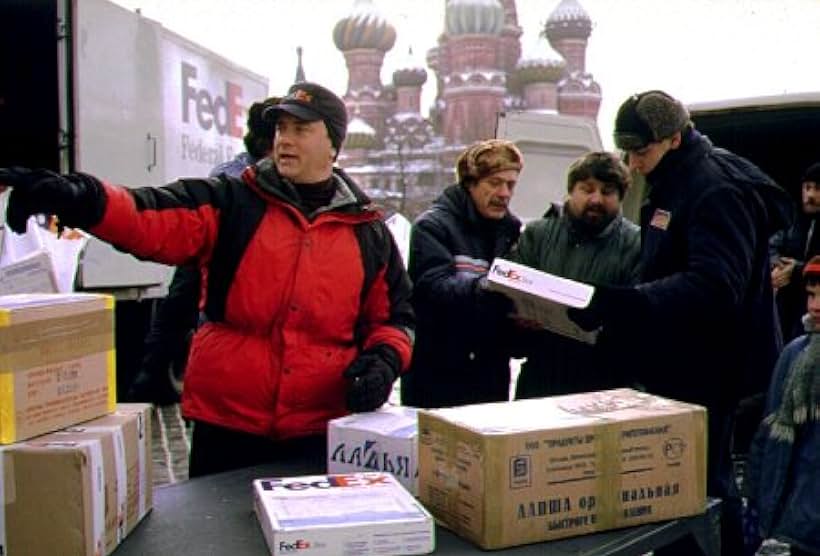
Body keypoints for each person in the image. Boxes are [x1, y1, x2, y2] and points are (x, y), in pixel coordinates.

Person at [0, 81, 414, 478]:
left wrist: (384, 360)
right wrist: (80, 197)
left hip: (316, 430)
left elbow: (395, 319)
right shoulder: (230, 202)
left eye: (301, 129)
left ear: (333, 144)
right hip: (228, 426)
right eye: (281, 129)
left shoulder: (367, 231)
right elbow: (147, 215)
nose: (285, 139)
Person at [567, 90, 793, 556]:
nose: (632, 163)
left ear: (673, 138)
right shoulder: (677, 178)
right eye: (626, 151)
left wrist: (626, 304)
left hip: (711, 369)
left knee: (704, 487)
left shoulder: (713, 188)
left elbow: (714, 286)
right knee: (681, 486)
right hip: (684, 363)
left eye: (641, 151)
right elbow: (666, 268)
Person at [124, 95, 281, 406]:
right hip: (220, 266)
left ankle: (152, 384)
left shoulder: (229, 169)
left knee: (172, 322)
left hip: (201, 263)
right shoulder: (243, 178)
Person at [400, 139, 523, 408]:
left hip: (489, 378)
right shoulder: (432, 226)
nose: (504, 193)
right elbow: (432, 287)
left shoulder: (511, 231)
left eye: (510, 185)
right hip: (437, 375)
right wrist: (488, 287)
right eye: (494, 182)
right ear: (470, 183)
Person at [508, 151, 641, 398]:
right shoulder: (537, 235)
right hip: (542, 377)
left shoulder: (636, 243)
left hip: (606, 383)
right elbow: (511, 296)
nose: (596, 199)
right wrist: (520, 321)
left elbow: (639, 313)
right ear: (572, 190)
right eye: (587, 189)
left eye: (607, 191)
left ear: (621, 197)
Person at [746, 256, 820, 556]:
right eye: (813, 294)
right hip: (799, 521)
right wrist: (757, 500)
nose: (815, 306)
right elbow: (768, 433)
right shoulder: (795, 353)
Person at [769, 162, 820, 342]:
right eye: (807, 188)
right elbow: (772, 246)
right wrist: (777, 265)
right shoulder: (792, 218)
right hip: (787, 305)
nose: (811, 195)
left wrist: (796, 270)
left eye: (818, 188)